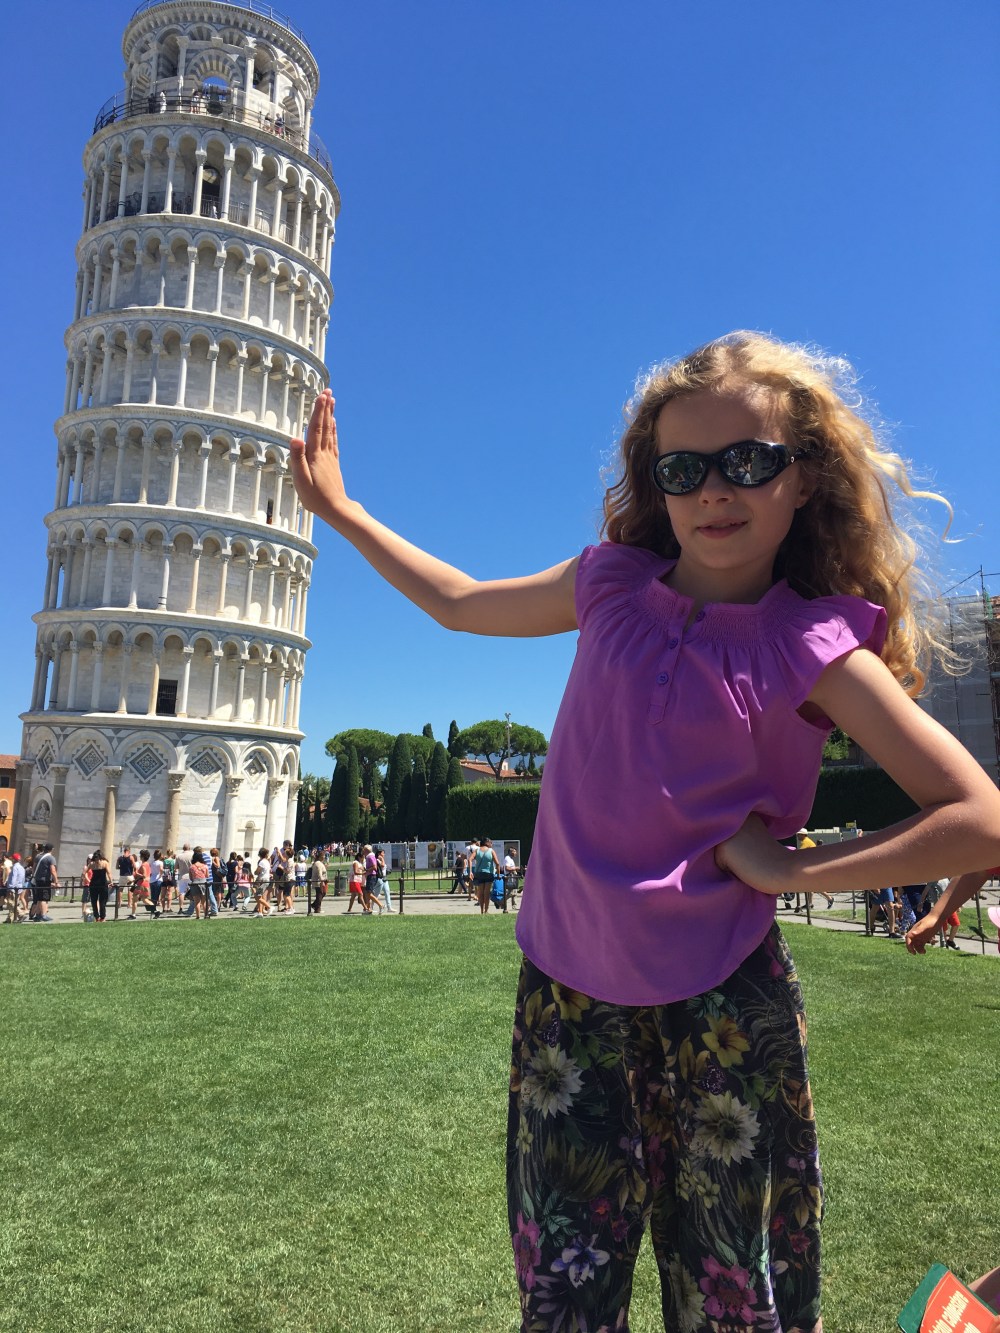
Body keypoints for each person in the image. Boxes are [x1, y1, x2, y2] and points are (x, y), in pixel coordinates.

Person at [290, 334, 1000, 1332]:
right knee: (564, 1296)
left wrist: (791, 872)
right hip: (564, 996)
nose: (714, 491)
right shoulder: (608, 583)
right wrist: (341, 510)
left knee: (731, 1301)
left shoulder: (814, 644)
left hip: (724, 1006)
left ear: (804, 477)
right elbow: (457, 603)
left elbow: (979, 816)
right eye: (682, 469)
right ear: (654, 483)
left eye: (747, 461)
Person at [906, 867, 1000, 955]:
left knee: (956, 923)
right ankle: (945, 941)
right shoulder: (935, 880)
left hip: (950, 909)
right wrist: (935, 916)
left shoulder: (946, 880)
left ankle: (949, 940)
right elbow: (978, 870)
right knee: (946, 927)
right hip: (945, 908)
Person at [29, 844, 59, 922]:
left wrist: (35, 876)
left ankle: (38, 915)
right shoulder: (51, 858)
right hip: (45, 880)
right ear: (51, 849)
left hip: (37, 880)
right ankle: (43, 915)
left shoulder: (38, 857)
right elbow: (53, 870)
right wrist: (56, 881)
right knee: (44, 898)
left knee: (39, 898)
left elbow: (34, 868)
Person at [472, 838, 501, 916]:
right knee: (487, 893)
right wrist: (498, 875)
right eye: (490, 842)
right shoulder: (491, 851)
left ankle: (481, 910)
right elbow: (497, 863)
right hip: (489, 873)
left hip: (479, 873)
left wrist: (470, 872)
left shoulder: (477, 850)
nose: (491, 844)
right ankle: (486, 910)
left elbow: (470, 859)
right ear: (486, 842)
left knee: (481, 892)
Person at [89, 850, 111, 923]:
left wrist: (111, 881)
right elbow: (109, 873)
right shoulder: (104, 863)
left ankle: (100, 917)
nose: (96, 860)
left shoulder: (93, 864)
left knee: (100, 902)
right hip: (99, 884)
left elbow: (84, 873)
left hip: (97, 884)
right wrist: (111, 881)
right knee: (97, 901)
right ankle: (99, 917)